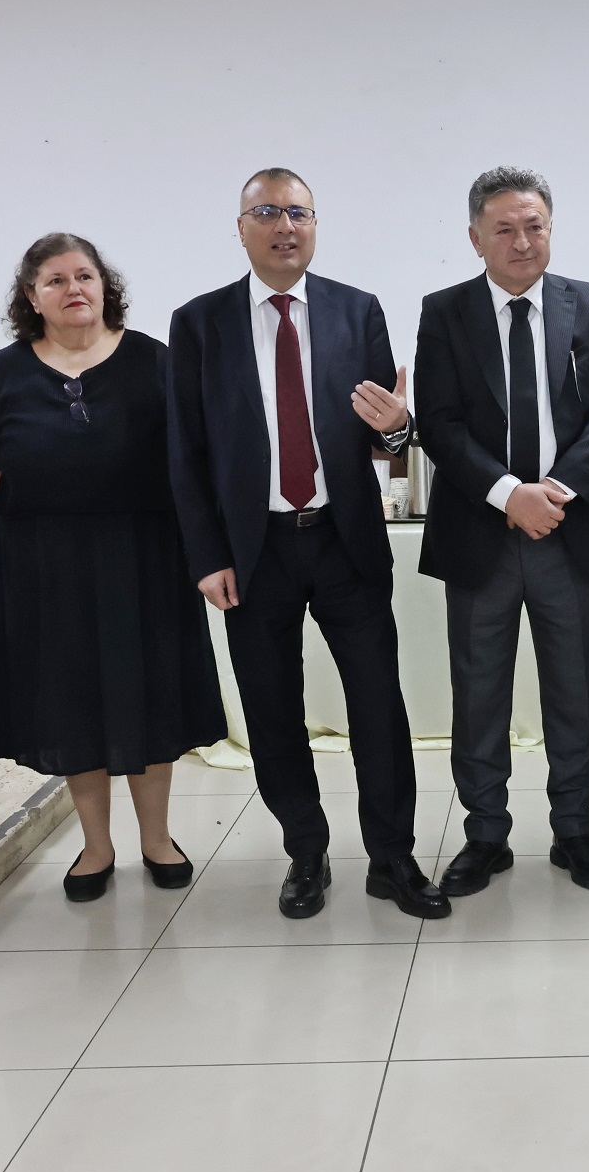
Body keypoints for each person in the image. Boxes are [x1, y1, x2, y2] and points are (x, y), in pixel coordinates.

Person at [167, 168, 449, 921]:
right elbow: (184, 452)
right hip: (252, 551)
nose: (284, 225)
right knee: (271, 709)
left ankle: (392, 856)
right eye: (267, 212)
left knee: (378, 704)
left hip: (344, 541)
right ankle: (305, 849)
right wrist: (206, 556)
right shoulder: (199, 323)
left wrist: (400, 427)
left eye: (298, 212)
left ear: (315, 225)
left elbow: (386, 436)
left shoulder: (358, 310)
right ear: (241, 228)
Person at [0, 234, 225, 900]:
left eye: (84, 275)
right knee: (70, 697)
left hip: (145, 556)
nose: (73, 288)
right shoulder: (6, 371)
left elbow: (192, 457)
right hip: (46, 565)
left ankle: (157, 838)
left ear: (105, 286)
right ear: (32, 297)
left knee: (149, 693)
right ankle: (96, 846)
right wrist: (56, 498)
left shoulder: (154, 360)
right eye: (55, 280)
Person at [414, 168, 589, 896]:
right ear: (475, 237)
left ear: (550, 229)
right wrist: (511, 495)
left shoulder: (588, 303)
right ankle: (485, 835)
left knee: (574, 690)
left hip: (567, 532)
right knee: (479, 695)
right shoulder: (445, 312)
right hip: (481, 534)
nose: (521, 241)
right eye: (503, 229)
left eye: (534, 226)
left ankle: (575, 830)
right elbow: (438, 421)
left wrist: (555, 492)